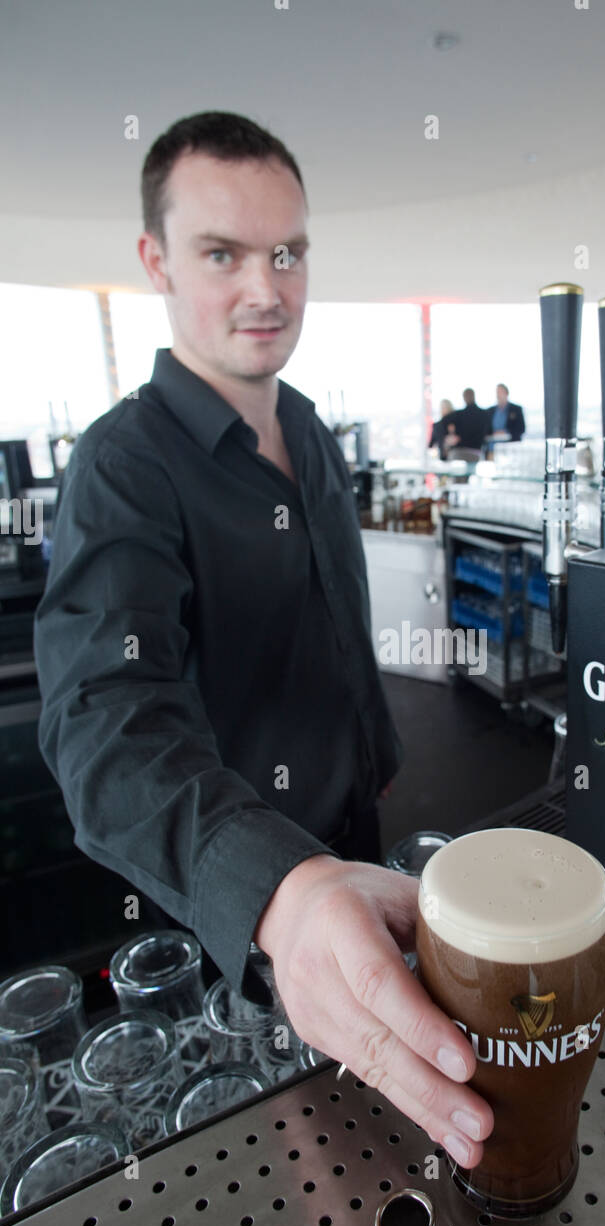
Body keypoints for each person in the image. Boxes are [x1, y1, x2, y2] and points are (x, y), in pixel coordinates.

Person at [33, 111, 493, 1171]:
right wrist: (280, 892)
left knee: (402, 1137)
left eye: (286, 252)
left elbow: (330, 630)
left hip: (360, 837)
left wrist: (374, 770)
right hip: (239, 912)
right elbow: (105, 724)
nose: (265, 287)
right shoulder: (123, 467)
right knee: (290, 1160)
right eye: (222, 253)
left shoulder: (313, 428)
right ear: (155, 261)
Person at [443, 388, 490, 452]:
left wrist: (451, 435)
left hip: (460, 452)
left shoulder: (459, 414)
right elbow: (489, 431)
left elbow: (444, 421)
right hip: (478, 452)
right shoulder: (484, 414)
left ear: (464, 398)